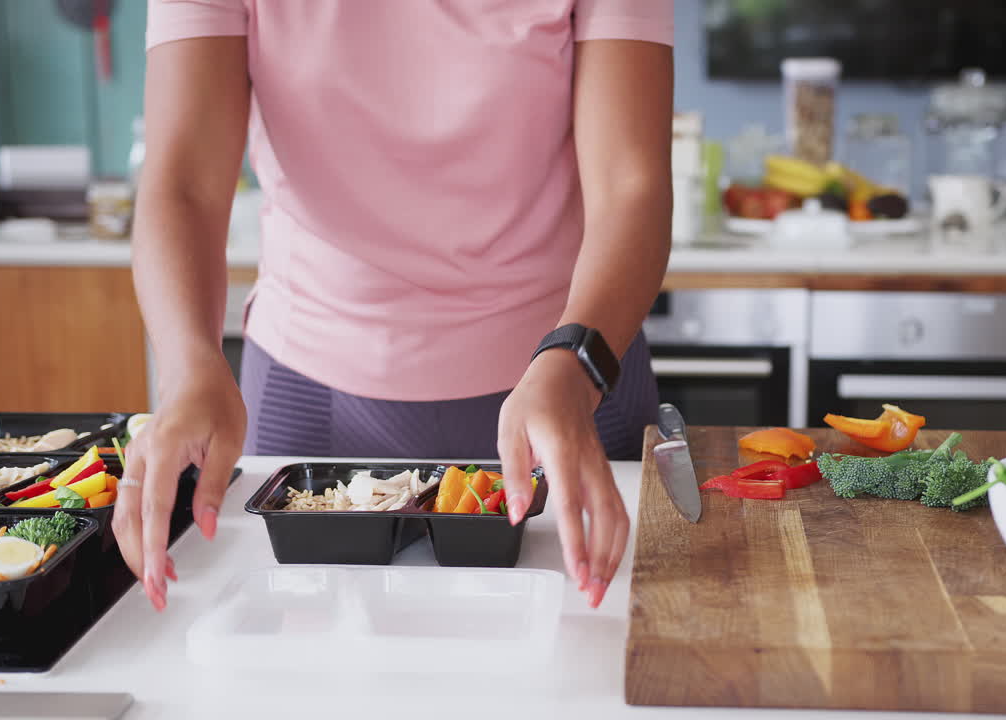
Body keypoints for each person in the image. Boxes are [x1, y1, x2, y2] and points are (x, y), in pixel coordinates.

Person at [114, 1, 674, 612]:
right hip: (310, 399)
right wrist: (189, 367)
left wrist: (575, 365)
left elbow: (631, 185)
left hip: (566, 384)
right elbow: (184, 183)